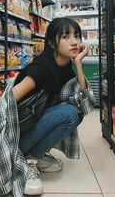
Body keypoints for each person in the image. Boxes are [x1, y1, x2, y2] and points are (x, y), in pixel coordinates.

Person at [12, 17, 91, 196]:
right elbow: (9, 99)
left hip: (30, 124)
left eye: (77, 36)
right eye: (65, 36)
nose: (74, 41)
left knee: (76, 112)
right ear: (52, 43)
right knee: (70, 113)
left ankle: (32, 157)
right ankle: (26, 159)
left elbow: (83, 101)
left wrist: (78, 62)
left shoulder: (64, 66)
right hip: (15, 135)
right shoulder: (43, 67)